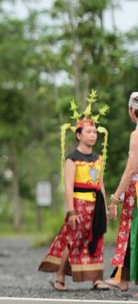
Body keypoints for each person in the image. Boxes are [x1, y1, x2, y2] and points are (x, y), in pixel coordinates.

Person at [38, 94, 109, 292]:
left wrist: (104, 207)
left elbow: (100, 185)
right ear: (78, 135)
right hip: (79, 204)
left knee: (96, 239)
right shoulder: (72, 158)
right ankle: (60, 277)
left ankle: (96, 279)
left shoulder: (97, 158)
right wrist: (71, 211)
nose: (93, 135)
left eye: (94, 132)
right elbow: (68, 186)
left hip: (96, 205)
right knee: (73, 241)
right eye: (88, 132)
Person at [106, 92, 138, 295]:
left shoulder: (136, 135)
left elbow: (131, 169)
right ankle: (123, 279)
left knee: (133, 234)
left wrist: (115, 197)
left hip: (136, 191)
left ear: (132, 110)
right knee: (130, 234)